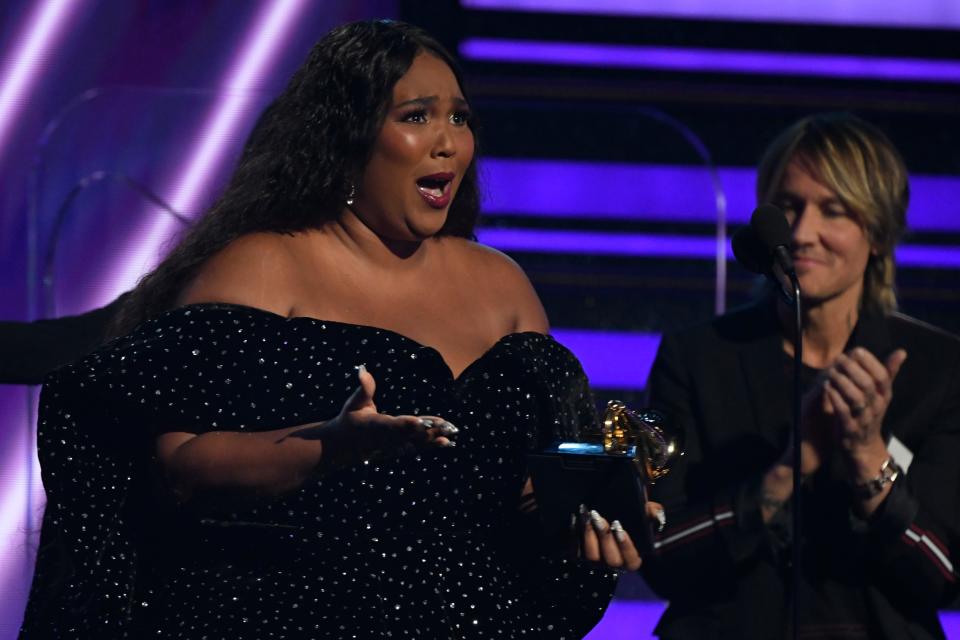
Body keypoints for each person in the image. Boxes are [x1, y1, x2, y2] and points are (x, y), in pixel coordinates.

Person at [19, 20, 649, 639]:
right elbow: (181, 464)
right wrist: (330, 445)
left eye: (459, 118)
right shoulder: (263, 266)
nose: (448, 142)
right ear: (346, 139)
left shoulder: (504, 283)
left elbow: (522, 491)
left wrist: (588, 517)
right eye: (416, 116)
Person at [642, 113, 959, 639]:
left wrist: (866, 455)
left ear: (877, 233)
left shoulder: (937, 369)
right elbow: (661, 555)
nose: (803, 232)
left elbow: (943, 575)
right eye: (788, 206)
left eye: (833, 210)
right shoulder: (697, 357)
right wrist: (788, 469)